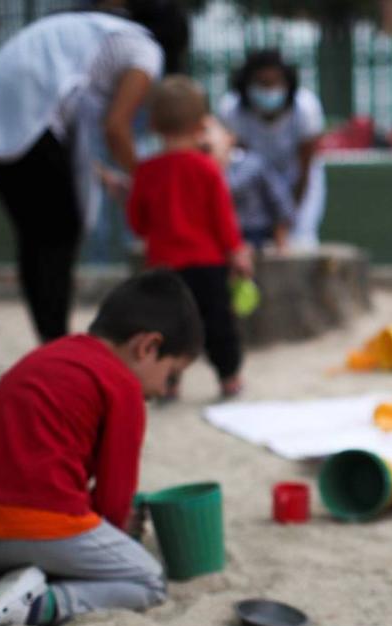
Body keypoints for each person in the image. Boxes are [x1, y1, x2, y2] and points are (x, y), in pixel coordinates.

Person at [0, 270, 202, 626]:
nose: (167, 390)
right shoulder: (122, 385)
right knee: (148, 579)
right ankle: (40, 604)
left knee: (48, 540)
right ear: (147, 347)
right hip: (38, 522)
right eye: (172, 375)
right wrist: (121, 530)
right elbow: (114, 498)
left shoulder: (48, 355)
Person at [0, 0, 188, 343]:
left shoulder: (100, 31)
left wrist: (101, 174)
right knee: (58, 231)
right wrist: (148, 182)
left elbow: (71, 126)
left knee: (38, 234)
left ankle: (49, 338)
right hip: (24, 115)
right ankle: (56, 339)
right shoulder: (145, 48)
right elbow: (116, 128)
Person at [128, 75, 252, 399]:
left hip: (163, 267)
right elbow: (223, 219)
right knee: (218, 324)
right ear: (201, 124)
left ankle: (168, 382)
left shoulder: (146, 171)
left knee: (167, 328)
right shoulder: (207, 168)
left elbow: (138, 224)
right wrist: (236, 252)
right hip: (207, 265)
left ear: (153, 125)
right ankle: (229, 378)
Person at [219, 49, 325, 247]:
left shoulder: (306, 108)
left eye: (275, 82)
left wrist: (288, 217)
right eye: (262, 83)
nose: (269, 89)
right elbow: (238, 166)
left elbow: (305, 168)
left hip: (297, 177)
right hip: (254, 182)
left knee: (300, 241)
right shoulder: (231, 110)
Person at [201, 115, 294, 251]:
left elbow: (280, 200)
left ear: (230, 137)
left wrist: (281, 239)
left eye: (207, 130)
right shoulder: (198, 171)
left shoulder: (253, 165)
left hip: (253, 235)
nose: (202, 138)